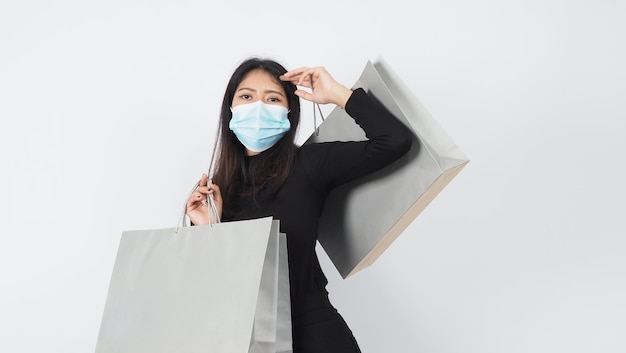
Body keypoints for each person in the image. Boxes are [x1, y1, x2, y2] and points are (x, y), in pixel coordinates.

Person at [186, 57, 412, 353]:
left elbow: (394, 141)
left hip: (315, 332)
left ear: (289, 111)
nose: (258, 106)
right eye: (246, 96)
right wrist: (207, 229)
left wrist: (337, 94)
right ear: (230, 107)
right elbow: (213, 288)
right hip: (246, 339)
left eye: (273, 98)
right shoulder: (217, 191)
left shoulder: (308, 164)